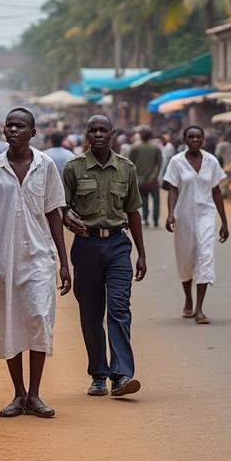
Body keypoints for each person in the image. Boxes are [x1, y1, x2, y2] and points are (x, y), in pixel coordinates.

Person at [0, 107, 71, 419]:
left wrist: (64, 262)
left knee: (39, 318)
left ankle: (36, 394)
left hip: (40, 256)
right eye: (9, 125)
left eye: (19, 126)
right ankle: (18, 394)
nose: (12, 130)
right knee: (9, 322)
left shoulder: (46, 166)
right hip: (4, 258)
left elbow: (55, 212)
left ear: (33, 132)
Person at [61, 115, 146, 398]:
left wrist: (142, 254)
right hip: (86, 247)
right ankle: (98, 374)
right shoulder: (73, 168)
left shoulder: (126, 168)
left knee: (119, 308)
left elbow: (133, 211)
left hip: (118, 246)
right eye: (92, 130)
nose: (98, 134)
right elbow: (61, 207)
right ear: (86, 134)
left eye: (103, 130)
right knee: (91, 313)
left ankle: (121, 375)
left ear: (112, 134)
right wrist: (66, 216)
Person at [164, 126, 229, 324]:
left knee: (205, 256)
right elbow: (172, 189)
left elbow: (216, 191)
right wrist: (170, 214)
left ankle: (200, 309)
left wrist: (224, 222)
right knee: (185, 259)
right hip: (184, 216)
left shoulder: (211, 161)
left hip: (206, 216)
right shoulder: (176, 162)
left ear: (203, 139)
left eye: (198, 137)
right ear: (184, 139)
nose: (195, 140)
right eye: (191, 137)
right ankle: (188, 299)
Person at [129, 127, 164, 228]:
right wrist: (155, 175)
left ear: (140, 136)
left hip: (140, 179)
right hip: (153, 179)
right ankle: (156, 220)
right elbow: (159, 163)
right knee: (156, 200)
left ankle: (145, 218)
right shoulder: (156, 148)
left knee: (144, 200)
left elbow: (131, 163)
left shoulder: (135, 148)